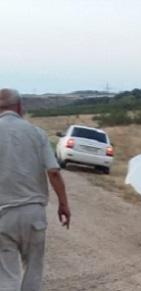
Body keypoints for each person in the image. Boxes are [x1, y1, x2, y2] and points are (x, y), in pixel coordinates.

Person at [0, 88, 71, 291]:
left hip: (3, 214)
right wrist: (63, 204)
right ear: (20, 107)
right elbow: (54, 172)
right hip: (34, 214)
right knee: (34, 270)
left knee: (6, 275)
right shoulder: (36, 133)